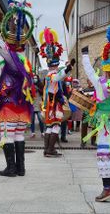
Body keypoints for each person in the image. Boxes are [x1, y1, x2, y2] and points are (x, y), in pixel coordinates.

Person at [81, 24, 110, 202]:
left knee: (104, 151)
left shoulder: (101, 82)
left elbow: (89, 70)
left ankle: (107, 188)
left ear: (105, 68)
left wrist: (85, 55)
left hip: (106, 122)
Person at [0, 0, 35, 177]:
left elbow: (4, 51)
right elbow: (4, 61)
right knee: (18, 135)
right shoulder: (23, 60)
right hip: (22, 104)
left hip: (10, 102)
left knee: (6, 134)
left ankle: (11, 168)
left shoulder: (12, 56)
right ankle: (20, 168)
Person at [39, 27, 75, 157]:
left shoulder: (48, 75)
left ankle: (47, 149)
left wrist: (67, 69)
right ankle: (50, 149)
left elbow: (60, 76)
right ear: (54, 64)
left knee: (49, 126)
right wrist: (68, 68)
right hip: (53, 103)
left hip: (50, 103)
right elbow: (60, 76)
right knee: (56, 126)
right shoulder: (52, 75)